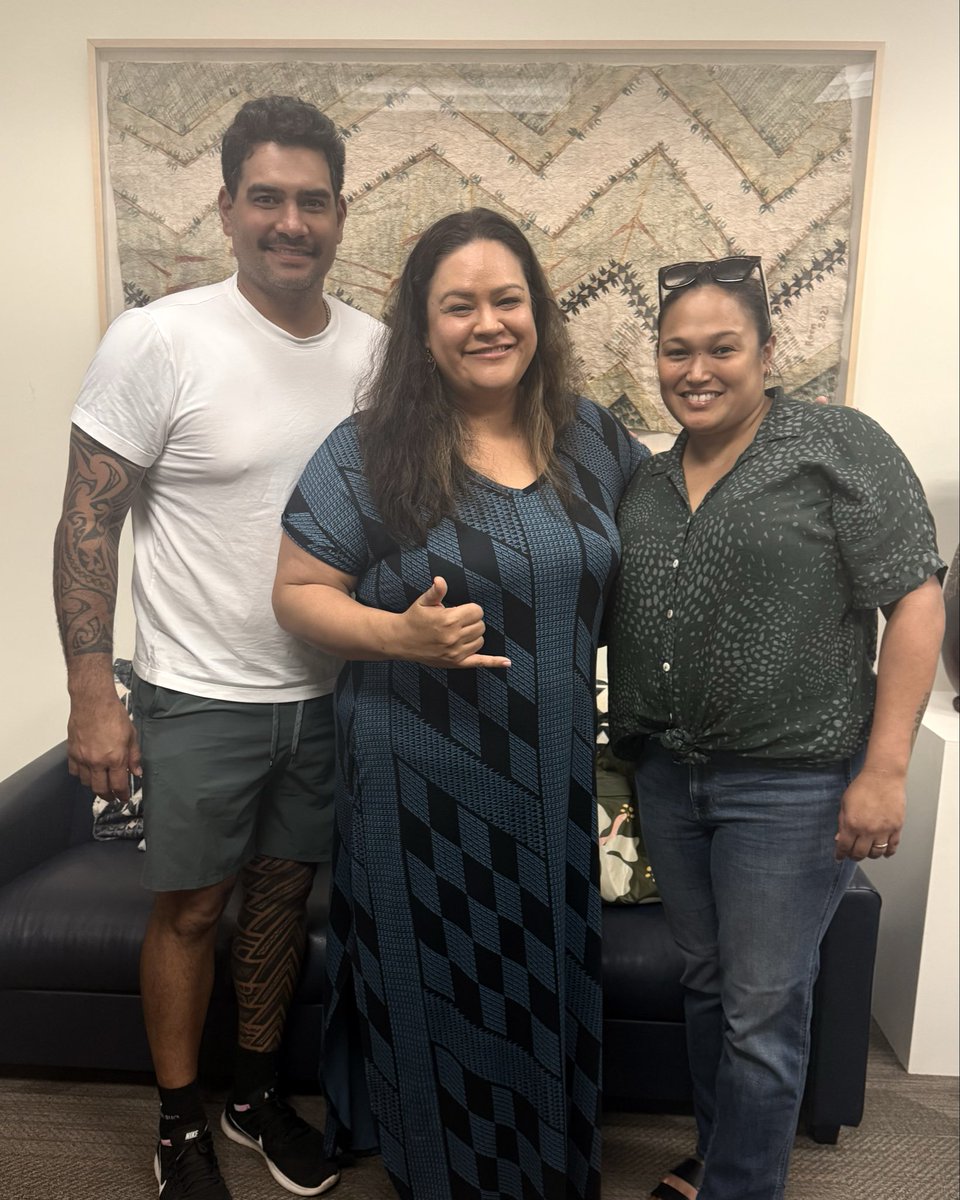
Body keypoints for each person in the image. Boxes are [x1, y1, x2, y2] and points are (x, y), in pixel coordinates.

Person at [272, 207, 647, 1199]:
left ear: (539, 312)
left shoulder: (594, 441)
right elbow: (297, 592)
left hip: (549, 771)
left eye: (507, 299)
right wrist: (401, 635)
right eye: (459, 305)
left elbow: (654, 556)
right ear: (424, 326)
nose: (488, 322)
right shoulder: (368, 451)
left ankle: (544, 1161)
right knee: (434, 981)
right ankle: (435, 1172)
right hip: (417, 781)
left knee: (545, 970)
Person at [53, 95, 382, 1200]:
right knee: (193, 910)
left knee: (284, 900)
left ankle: (251, 1095)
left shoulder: (376, 353)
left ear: (343, 213)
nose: (291, 221)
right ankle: (179, 1119)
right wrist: (94, 689)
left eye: (314, 201)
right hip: (196, 694)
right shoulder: (159, 340)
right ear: (229, 206)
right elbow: (88, 517)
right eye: (268, 198)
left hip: (331, 691)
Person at [606, 255, 945, 1200]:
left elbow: (914, 600)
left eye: (722, 348)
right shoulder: (647, 480)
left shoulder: (834, 446)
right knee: (711, 986)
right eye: (678, 351)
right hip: (671, 778)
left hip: (791, 785)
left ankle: (740, 1188)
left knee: (761, 1008)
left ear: (765, 350)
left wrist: (884, 771)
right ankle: (725, 1162)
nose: (697, 370)